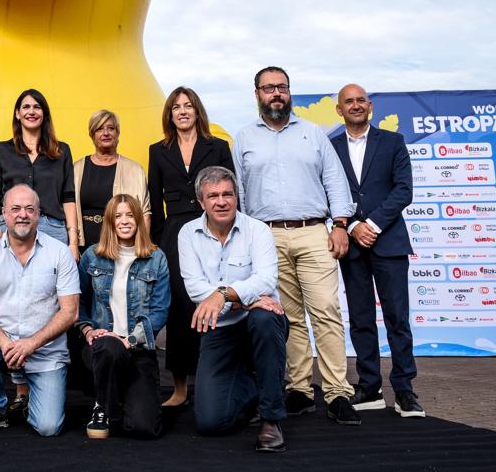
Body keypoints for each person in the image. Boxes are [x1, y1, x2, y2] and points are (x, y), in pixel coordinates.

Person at [232, 66, 359, 425]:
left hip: (313, 232)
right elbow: (238, 193)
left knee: (325, 312)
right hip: (266, 236)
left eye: (282, 88)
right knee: (287, 317)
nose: (276, 94)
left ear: (289, 93)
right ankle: (300, 390)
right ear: (256, 93)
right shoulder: (243, 139)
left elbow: (335, 182)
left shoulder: (313, 134)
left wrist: (340, 225)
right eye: (269, 88)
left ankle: (337, 393)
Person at [178, 166, 289, 452]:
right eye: (212, 195)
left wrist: (224, 294)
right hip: (221, 329)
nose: (221, 201)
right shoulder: (187, 234)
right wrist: (245, 299)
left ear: (237, 197)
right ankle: (251, 387)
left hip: (261, 323)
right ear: (201, 202)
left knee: (264, 318)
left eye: (228, 194)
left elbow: (266, 279)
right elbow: (196, 291)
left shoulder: (258, 230)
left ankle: (271, 420)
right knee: (211, 423)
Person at [0, 90, 78, 414]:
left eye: (37, 107)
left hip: (52, 228)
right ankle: (20, 388)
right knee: (13, 301)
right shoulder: (3, 151)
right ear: (17, 114)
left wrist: (73, 240)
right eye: (26, 107)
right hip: (13, 228)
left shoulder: (60, 151)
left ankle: (49, 376)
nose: (32, 111)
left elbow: (68, 197)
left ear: (44, 113)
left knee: (49, 306)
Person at [332, 84, 424, 418]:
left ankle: (404, 390)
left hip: (389, 241)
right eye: (348, 102)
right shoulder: (330, 147)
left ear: (369, 106)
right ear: (339, 110)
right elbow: (329, 192)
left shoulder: (393, 142)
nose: (355, 105)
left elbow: (404, 190)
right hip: (352, 245)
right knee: (360, 319)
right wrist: (353, 226)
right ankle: (369, 387)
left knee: (397, 318)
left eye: (360, 100)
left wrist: (372, 223)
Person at [0, 184, 80, 437]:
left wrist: (30, 344)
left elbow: (70, 312)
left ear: (38, 214)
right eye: (15, 209)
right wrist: (5, 343)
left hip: (46, 350)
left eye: (29, 209)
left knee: (48, 427)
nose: (22, 214)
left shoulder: (59, 252)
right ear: (3, 213)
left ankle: (32, 399)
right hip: (1, 344)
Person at [147, 86, 234, 407]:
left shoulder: (219, 147)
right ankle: (180, 389)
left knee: (216, 301)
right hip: (172, 234)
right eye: (176, 107)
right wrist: (156, 243)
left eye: (188, 106)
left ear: (198, 111)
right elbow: (154, 202)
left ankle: (218, 381)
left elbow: (232, 193)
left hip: (214, 229)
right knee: (179, 307)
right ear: (169, 114)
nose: (182, 111)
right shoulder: (158, 150)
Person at [75, 194, 169, 439]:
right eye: (118, 216)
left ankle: (119, 397)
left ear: (138, 220)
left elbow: (160, 310)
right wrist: (87, 330)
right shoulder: (91, 257)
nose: (124, 221)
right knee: (109, 348)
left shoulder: (156, 258)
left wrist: (132, 340)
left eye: (129, 215)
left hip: (138, 347)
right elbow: (79, 303)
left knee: (145, 428)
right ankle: (103, 406)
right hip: (102, 345)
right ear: (109, 222)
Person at [73, 110, 149, 252]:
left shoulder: (135, 169)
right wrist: (72, 244)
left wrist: (140, 248)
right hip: (84, 246)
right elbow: (68, 209)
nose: (106, 133)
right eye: (99, 128)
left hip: (123, 246)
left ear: (118, 133)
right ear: (92, 135)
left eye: (111, 128)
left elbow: (145, 213)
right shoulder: (75, 169)